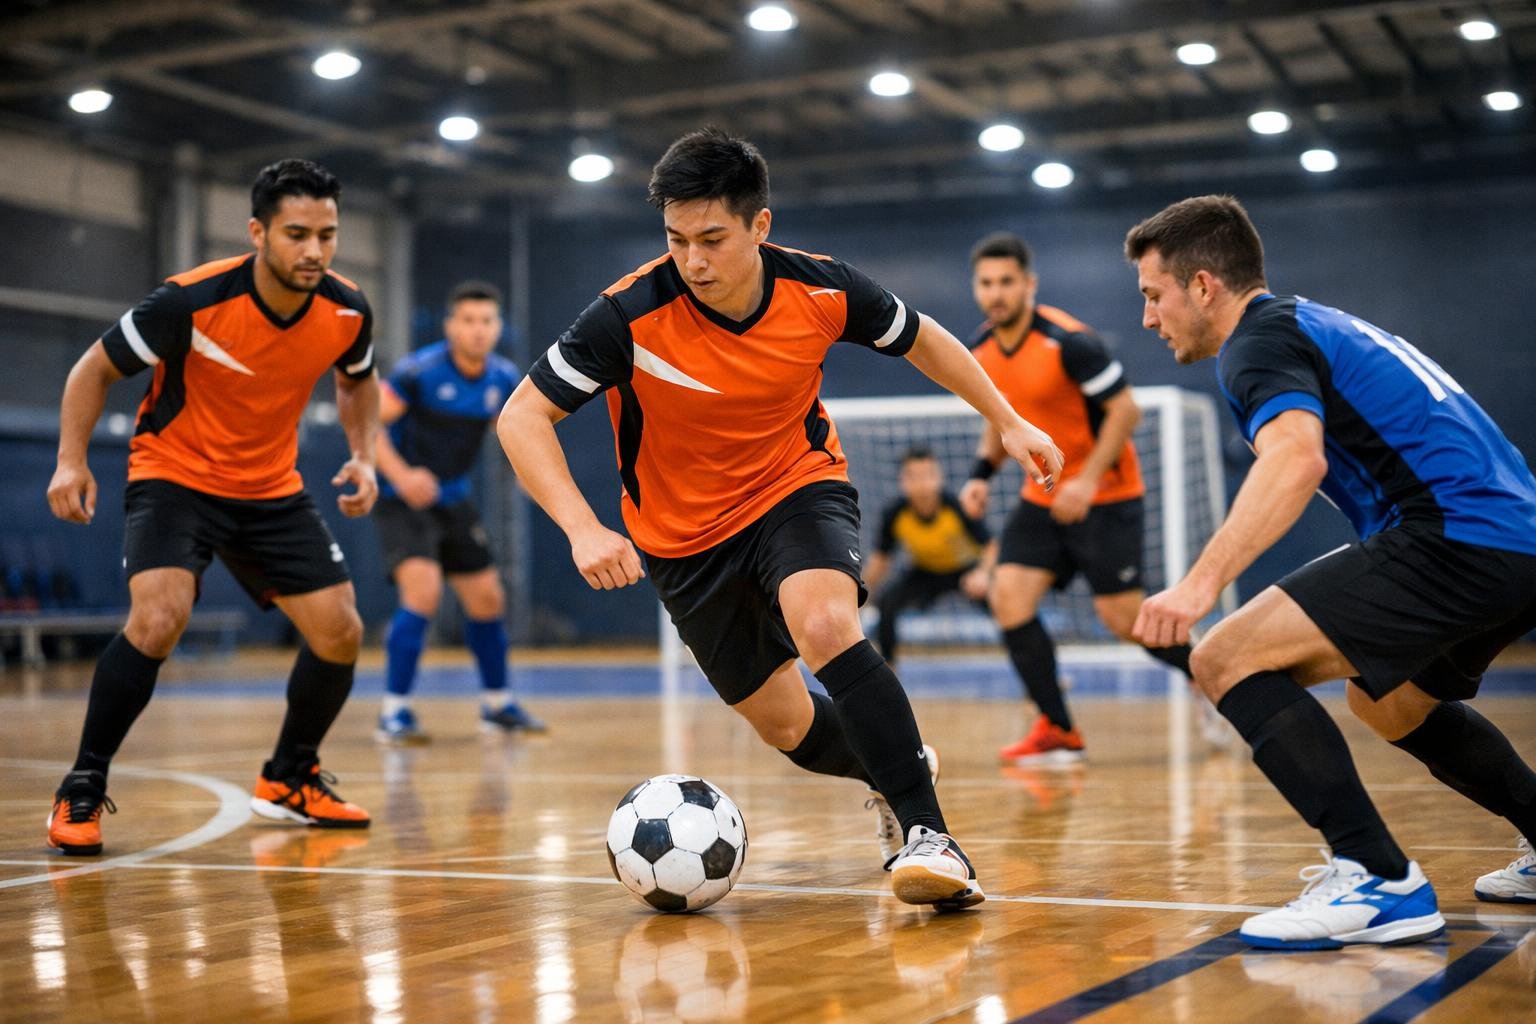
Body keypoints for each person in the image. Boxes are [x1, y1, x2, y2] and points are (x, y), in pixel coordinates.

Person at [498, 127, 1063, 909]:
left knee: (826, 625)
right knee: (788, 729)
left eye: (712, 239)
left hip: (794, 489)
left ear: (760, 226)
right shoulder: (626, 315)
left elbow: (924, 339)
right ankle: (894, 762)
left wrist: (1007, 419)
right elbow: (522, 418)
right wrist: (581, 527)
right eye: (676, 239)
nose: (692, 260)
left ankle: (929, 834)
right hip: (683, 541)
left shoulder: (822, 288)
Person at [1126, 194, 1536, 949]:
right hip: (1516, 540)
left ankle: (1379, 879)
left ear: (1204, 286)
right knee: (1392, 705)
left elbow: (1295, 459)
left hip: (1455, 535)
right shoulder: (1311, 321)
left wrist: (1197, 586)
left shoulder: (1254, 342)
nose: (1150, 318)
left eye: (1154, 296)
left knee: (1223, 655)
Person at [44, 158, 378, 856]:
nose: (314, 250)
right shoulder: (187, 303)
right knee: (160, 617)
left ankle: (289, 777)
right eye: (296, 234)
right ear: (257, 232)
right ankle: (82, 783)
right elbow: (93, 369)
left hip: (270, 488)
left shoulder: (347, 309)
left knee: (340, 631)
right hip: (176, 476)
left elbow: (357, 380)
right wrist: (71, 461)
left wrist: (363, 453)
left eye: (327, 234)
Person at [959, 233, 1192, 765]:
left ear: (1029, 285)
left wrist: (1085, 480)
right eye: (986, 283)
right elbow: (1003, 424)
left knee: (1123, 620)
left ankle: (1211, 676)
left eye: (1006, 282)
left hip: (1107, 497)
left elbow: (1125, 411)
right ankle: (1059, 728)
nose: (996, 293)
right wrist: (980, 473)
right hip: (1041, 500)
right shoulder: (979, 351)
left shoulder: (1071, 342)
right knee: (1008, 597)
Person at [373, 280, 545, 743]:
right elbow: (371, 428)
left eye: (486, 321)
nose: (477, 330)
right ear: (450, 326)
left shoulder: (503, 378)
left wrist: (536, 480)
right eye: (467, 320)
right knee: (423, 593)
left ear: (498, 327)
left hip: (452, 499)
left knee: (488, 597)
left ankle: (497, 705)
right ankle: (395, 712)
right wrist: (405, 477)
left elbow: (517, 436)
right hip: (399, 499)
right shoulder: (418, 372)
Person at [865, 446, 990, 667]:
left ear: (939, 477)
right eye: (913, 477)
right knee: (887, 603)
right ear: (903, 481)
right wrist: (860, 596)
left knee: (1007, 605)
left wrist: (983, 574)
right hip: (926, 572)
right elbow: (881, 560)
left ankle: (1035, 676)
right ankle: (889, 673)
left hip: (966, 571)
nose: (922, 484)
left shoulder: (957, 506)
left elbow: (991, 547)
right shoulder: (895, 513)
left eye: (928, 475)